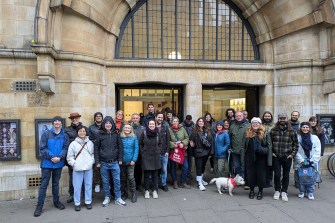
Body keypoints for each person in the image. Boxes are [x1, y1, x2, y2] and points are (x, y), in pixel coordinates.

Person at [34, 116, 69, 217]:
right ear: (53, 123)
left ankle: (56, 202)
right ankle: (39, 206)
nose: (57, 123)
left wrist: (60, 157)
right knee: (43, 185)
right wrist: (52, 157)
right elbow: (42, 147)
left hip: (58, 164)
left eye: (59, 121)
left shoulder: (64, 135)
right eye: (55, 121)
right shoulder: (46, 134)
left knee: (55, 184)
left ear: (61, 123)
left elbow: (65, 148)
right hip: (47, 164)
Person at [94, 116, 126, 207]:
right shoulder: (99, 134)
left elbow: (120, 147)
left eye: (110, 123)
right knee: (105, 181)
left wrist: (120, 159)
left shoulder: (116, 134)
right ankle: (107, 197)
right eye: (106, 123)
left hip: (115, 162)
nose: (108, 125)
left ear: (112, 124)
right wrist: (97, 161)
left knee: (117, 181)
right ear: (104, 124)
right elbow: (96, 149)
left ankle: (118, 198)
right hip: (103, 163)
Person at [270, 113, 298, 202]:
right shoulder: (273, 130)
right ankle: (277, 190)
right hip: (276, 156)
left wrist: (292, 154)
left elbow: (296, 144)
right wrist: (272, 153)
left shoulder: (292, 131)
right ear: (278, 119)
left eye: (284, 118)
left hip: (287, 157)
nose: (282, 120)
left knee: (286, 175)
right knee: (277, 175)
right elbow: (269, 143)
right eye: (280, 118)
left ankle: (284, 191)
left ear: (286, 119)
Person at [67, 126, 94, 211]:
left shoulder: (90, 143)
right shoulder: (73, 144)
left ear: (86, 132)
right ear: (77, 133)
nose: (82, 133)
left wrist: (91, 161)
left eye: (84, 131)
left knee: (88, 185)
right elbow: (70, 157)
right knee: (77, 187)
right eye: (80, 131)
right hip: (77, 168)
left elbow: (92, 154)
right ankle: (77, 203)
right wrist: (74, 164)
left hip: (88, 167)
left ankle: (88, 201)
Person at [245, 118, 272, 200]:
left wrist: (262, 150)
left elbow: (269, 146)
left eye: (257, 123)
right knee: (251, 175)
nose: (255, 124)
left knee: (261, 175)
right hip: (250, 158)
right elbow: (245, 146)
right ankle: (252, 190)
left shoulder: (265, 133)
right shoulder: (248, 133)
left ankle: (260, 191)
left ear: (260, 124)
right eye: (253, 123)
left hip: (261, 158)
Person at [294, 122, 321, 200]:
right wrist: (302, 161)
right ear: (300, 128)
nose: (305, 129)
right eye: (303, 127)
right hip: (301, 161)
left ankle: (310, 192)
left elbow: (317, 150)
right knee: (300, 177)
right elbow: (296, 150)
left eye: (307, 127)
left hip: (311, 160)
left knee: (312, 177)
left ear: (309, 128)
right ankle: (302, 191)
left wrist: (312, 161)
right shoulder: (297, 137)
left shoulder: (315, 138)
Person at [139, 119, 162, 199]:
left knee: (155, 175)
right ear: (148, 125)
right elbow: (140, 144)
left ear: (155, 125)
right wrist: (143, 152)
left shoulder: (157, 133)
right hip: (146, 157)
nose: (152, 125)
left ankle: (155, 190)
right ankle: (147, 191)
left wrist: (158, 150)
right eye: (150, 124)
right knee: (146, 175)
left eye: (153, 124)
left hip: (155, 156)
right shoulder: (144, 133)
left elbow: (160, 143)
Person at [64, 112, 83, 203]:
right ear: (71, 119)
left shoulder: (84, 128)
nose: (75, 120)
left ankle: (82, 194)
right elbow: (64, 144)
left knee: (83, 176)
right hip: (72, 157)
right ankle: (72, 194)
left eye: (76, 118)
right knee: (72, 177)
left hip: (82, 157)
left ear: (79, 118)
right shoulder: (67, 130)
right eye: (73, 118)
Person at [189, 117, 213, 191]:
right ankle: (199, 183)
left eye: (202, 121)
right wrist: (192, 147)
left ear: (204, 123)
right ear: (197, 122)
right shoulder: (194, 131)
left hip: (206, 152)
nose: (201, 122)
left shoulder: (207, 131)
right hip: (198, 152)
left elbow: (211, 142)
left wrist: (210, 153)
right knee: (199, 168)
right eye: (199, 121)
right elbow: (191, 142)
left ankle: (201, 179)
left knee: (203, 167)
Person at [169, 117, 190, 189]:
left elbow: (187, 138)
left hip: (182, 150)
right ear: (171, 122)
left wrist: (183, 143)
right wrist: (173, 144)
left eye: (176, 121)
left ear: (178, 122)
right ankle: (175, 181)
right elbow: (166, 140)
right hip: (173, 151)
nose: (175, 122)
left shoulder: (182, 129)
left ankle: (183, 182)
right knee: (173, 167)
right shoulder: (169, 130)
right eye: (173, 121)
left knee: (185, 166)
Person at [120, 123, 139, 203]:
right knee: (123, 178)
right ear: (123, 129)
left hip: (130, 161)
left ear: (131, 129)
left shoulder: (134, 137)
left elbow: (136, 149)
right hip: (122, 162)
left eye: (128, 128)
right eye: (126, 128)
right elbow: (118, 148)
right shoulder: (120, 137)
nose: (127, 129)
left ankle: (134, 193)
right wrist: (119, 159)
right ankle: (124, 193)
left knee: (131, 178)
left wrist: (134, 160)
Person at [229, 111, 249, 178]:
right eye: (237, 116)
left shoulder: (248, 125)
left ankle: (245, 178)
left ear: (243, 116)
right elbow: (229, 137)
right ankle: (240, 178)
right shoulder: (232, 126)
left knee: (244, 165)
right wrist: (229, 147)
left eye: (240, 116)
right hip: (234, 150)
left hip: (244, 150)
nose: (238, 117)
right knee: (237, 165)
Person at [88, 112, 103, 193]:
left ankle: (105, 183)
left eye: (100, 116)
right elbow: (89, 138)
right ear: (95, 118)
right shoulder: (91, 127)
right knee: (96, 168)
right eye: (97, 116)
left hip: (104, 149)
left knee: (104, 167)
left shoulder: (105, 125)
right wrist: (96, 142)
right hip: (95, 149)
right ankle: (97, 183)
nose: (98, 117)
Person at [130, 113, 145, 192]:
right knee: (131, 170)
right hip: (130, 152)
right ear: (131, 119)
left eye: (136, 118)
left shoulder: (143, 128)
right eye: (134, 118)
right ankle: (132, 185)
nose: (135, 119)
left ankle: (138, 184)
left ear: (139, 119)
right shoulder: (128, 128)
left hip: (140, 152)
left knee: (139, 169)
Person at [156, 112, 170, 192]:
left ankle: (164, 184)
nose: (160, 119)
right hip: (155, 153)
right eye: (159, 117)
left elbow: (168, 140)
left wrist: (168, 151)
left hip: (164, 152)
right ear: (156, 117)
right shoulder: (152, 127)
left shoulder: (165, 127)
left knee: (164, 169)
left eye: (161, 117)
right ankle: (155, 184)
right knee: (155, 169)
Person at [262, 111, 275, 186]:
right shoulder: (261, 125)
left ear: (271, 117)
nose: (267, 117)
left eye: (268, 116)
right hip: (263, 147)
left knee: (270, 165)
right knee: (263, 165)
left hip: (272, 147)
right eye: (266, 116)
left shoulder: (274, 126)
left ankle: (270, 179)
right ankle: (264, 179)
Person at [181, 115, 195, 180]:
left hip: (191, 145)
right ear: (185, 119)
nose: (189, 122)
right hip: (184, 144)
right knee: (184, 159)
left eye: (190, 121)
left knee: (190, 159)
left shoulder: (194, 125)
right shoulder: (181, 125)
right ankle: (184, 172)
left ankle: (188, 172)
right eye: (187, 121)